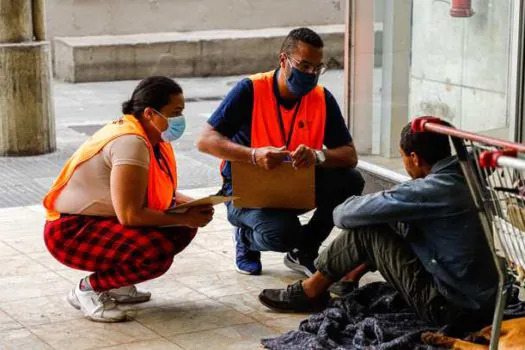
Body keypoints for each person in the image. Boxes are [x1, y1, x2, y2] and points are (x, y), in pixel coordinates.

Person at [258, 122, 498, 330]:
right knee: (395, 221)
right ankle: (348, 278)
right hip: (488, 303)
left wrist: (386, 201)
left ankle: (310, 290)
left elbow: (342, 215)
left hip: (452, 310)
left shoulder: (430, 190)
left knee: (369, 230)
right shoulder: (467, 174)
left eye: (403, 157)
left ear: (414, 158)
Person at [43, 76, 214, 323]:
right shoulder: (130, 142)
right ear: (149, 113)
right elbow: (131, 215)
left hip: (98, 220)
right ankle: (88, 289)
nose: (180, 119)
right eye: (175, 112)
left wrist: (193, 205)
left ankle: (118, 285)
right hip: (70, 230)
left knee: (182, 228)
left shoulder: (153, 138)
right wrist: (185, 215)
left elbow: (155, 191)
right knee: (155, 252)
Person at [197, 27, 364, 276]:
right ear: (283, 60)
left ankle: (304, 250)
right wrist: (254, 155)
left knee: (352, 180)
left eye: (317, 68)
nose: (310, 74)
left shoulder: (320, 98)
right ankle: (247, 238)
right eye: (304, 65)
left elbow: (350, 156)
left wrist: (318, 156)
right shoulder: (250, 90)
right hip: (248, 189)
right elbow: (205, 141)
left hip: (296, 184)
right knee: (282, 235)